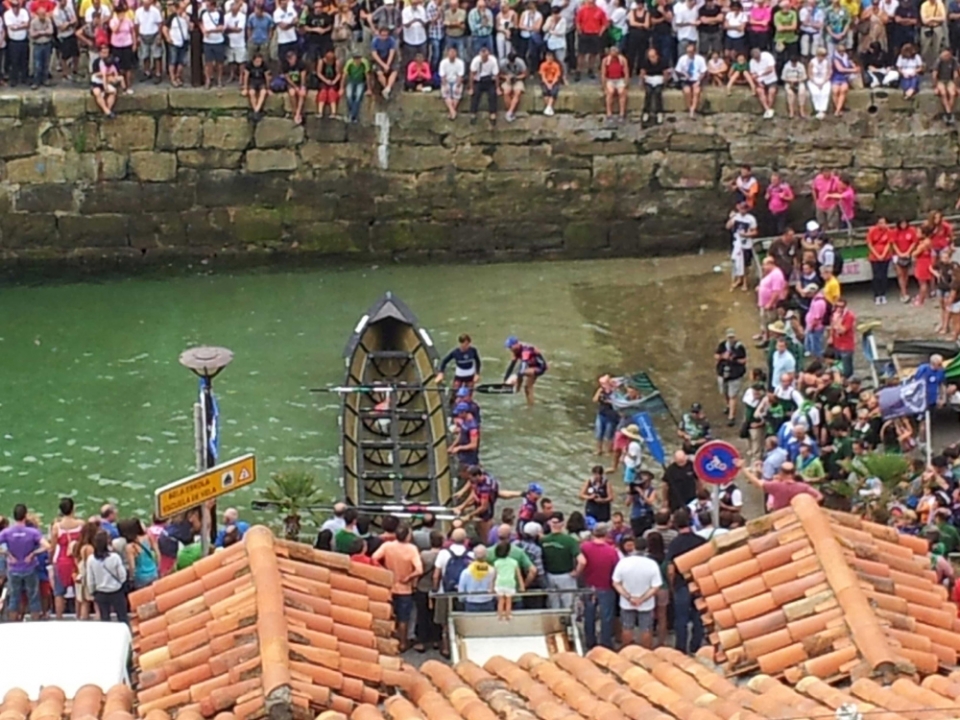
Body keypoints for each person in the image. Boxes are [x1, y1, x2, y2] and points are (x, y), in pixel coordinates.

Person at [372, 524, 423, 651]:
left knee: (390, 614)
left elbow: (374, 558)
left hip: (389, 585)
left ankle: (389, 640)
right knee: (404, 617)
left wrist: (384, 571)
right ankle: (403, 642)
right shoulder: (412, 549)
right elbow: (419, 569)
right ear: (407, 536)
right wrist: (409, 577)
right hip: (405, 588)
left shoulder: (387, 546)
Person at [665, 509, 705, 655]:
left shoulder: (675, 544)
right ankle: (696, 646)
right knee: (698, 617)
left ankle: (681, 648)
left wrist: (672, 585)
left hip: (681, 585)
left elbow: (670, 569)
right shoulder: (700, 541)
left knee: (680, 618)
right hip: (699, 583)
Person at [0, 504, 49, 621]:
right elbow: (47, 546)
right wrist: (33, 554)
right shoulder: (33, 532)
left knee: (14, 599)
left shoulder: (7, 532)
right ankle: (35, 623)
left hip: (13, 568)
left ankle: (13, 624)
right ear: (25, 515)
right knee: (34, 597)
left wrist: (7, 554)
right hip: (29, 567)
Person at [580, 522, 620, 649]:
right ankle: (605, 643)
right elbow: (616, 569)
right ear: (607, 534)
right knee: (606, 617)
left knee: (589, 615)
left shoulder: (584, 547)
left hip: (589, 586)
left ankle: (590, 642)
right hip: (606, 587)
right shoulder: (612, 551)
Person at [739, 459, 824, 509]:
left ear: (781, 473)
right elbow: (820, 497)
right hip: (798, 516)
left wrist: (743, 469)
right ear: (794, 473)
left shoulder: (776, 486)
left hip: (780, 516)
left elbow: (757, 482)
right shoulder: (803, 487)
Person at [50, 497, 84, 620]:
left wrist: (50, 560)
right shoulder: (80, 524)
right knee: (78, 591)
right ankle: (78, 617)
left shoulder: (57, 526)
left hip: (61, 560)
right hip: (76, 561)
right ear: (73, 509)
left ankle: (59, 618)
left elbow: (53, 547)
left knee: (59, 592)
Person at [541, 513, 584, 610]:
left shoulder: (543, 540)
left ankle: (555, 624)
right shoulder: (570, 540)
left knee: (554, 606)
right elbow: (582, 561)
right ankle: (570, 624)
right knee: (569, 606)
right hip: (566, 577)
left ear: (549, 523)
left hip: (550, 576)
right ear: (562, 524)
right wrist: (577, 572)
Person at [414, 530, 443, 651]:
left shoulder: (423, 555)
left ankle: (422, 641)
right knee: (436, 615)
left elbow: (419, 570)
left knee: (422, 615)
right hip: (438, 589)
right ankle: (437, 640)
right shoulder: (444, 554)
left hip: (423, 587)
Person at [503, 335, 547, 406]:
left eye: (511, 347)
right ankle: (530, 405)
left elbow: (523, 366)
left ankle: (517, 389)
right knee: (527, 388)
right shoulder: (516, 351)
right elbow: (511, 366)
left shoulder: (525, 350)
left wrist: (515, 378)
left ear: (516, 344)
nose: (510, 349)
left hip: (540, 367)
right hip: (531, 366)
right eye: (509, 347)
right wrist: (505, 379)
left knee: (520, 372)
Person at [716, 329, 747, 427]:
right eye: (729, 337)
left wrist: (734, 359)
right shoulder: (722, 345)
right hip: (722, 373)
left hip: (735, 375)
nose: (731, 339)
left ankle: (731, 417)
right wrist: (722, 357)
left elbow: (744, 360)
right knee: (724, 393)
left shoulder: (739, 347)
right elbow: (716, 356)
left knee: (732, 395)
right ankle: (728, 405)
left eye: (732, 337)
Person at [457, 544, 496, 612]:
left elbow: (461, 589)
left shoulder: (466, 572)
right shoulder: (492, 570)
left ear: (474, 556)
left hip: (471, 603)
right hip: (488, 602)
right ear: (486, 556)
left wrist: (462, 599)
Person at [492, 540, 524, 621]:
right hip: (510, 583)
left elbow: (494, 576)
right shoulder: (514, 562)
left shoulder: (497, 562)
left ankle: (499, 615)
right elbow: (518, 575)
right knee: (509, 600)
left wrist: (491, 586)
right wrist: (522, 586)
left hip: (500, 582)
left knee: (501, 600)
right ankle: (508, 615)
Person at [576, 0, 607, 79]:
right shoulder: (582, 10)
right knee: (581, 54)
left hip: (595, 34)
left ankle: (590, 70)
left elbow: (604, 23)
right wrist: (579, 31)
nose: (590, 3)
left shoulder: (600, 11)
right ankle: (579, 71)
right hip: (584, 33)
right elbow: (577, 21)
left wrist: (600, 32)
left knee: (593, 54)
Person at [675, 43, 707, 118]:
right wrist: (684, 74)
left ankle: (693, 109)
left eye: (691, 52)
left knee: (696, 91)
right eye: (688, 52)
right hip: (685, 79)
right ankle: (689, 107)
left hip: (696, 79)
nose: (689, 54)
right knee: (687, 91)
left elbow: (703, 72)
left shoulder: (700, 59)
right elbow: (677, 71)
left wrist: (699, 80)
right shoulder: (682, 59)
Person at [469, 45, 499, 125]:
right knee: (475, 94)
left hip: (489, 80)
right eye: (483, 56)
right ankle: (473, 113)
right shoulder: (476, 61)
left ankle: (493, 114)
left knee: (492, 94)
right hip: (479, 80)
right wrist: (471, 87)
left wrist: (497, 88)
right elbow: (472, 74)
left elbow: (496, 75)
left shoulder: (493, 60)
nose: (484, 58)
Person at [640, 47, 670, 126]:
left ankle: (659, 112)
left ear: (657, 56)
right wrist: (642, 83)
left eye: (653, 56)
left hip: (659, 80)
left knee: (658, 92)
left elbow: (665, 73)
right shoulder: (645, 62)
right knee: (648, 92)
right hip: (649, 80)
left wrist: (664, 83)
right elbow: (642, 73)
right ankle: (646, 112)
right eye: (650, 57)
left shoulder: (663, 61)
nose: (652, 59)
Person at [165, 1, 192, 87]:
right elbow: (165, 28)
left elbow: (191, 28)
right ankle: (173, 78)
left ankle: (178, 76)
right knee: (173, 60)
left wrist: (187, 21)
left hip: (184, 41)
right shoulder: (172, 17)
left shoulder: (187, 16)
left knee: (182, 61)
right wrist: (168, 38)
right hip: (174, 42)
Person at [90, 44, 122, 118]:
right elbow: (95, 74)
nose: (105, 55)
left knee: (113, 92)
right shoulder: (96, 62)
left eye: (106, 53)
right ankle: (106, 111)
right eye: (103, 53)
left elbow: (116, 73)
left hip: (109, 82)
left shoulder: (112, 61)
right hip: (97, 82)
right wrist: (105, 74)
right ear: (100, 53)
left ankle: (108, 109)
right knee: (97, 92)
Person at [867, 217, 893, 304]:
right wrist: (877, 255)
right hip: (874, 257)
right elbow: (870, 244)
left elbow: (889, 244)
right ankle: (876, 295)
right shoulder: (872, 231)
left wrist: (883, 254)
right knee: (876, 276)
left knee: (884, 276)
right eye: (881, 223)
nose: (883, 225)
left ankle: (883, 294)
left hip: (886, 257)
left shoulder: (888, 231)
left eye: (884, 223)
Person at [601, 45, 629, 121]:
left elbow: (626, 73)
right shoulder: (606, 60)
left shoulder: (623, 60)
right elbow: (603, 74)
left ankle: (622, 113)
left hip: (620, 79)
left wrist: (626, 84)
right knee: (610, 92)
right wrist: (604, 86)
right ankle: (609, 113)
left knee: (622, 92)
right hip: (610, 79)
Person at [29, 5, 55, 90]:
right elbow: (32, 34)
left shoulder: (48, 20)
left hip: (47, 44)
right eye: (41, 14)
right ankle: (36, 81)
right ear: (37, 14)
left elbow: (51, 31)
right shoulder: (33, 22)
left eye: (44, 14)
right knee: (37, 64)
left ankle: (45, 80)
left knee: (46, 63)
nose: (43, 16)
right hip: (38, 45)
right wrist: (43, 32)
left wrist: (39, 33)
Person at [438, 46, 466, 119]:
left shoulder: (460, 62)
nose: (452, 54)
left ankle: (452, 111)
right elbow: (442, 76)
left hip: (456, 81)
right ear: (447, 53)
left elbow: (460, 76)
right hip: (447, 80)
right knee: (445, 92)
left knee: (456, 92)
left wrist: (457, 86)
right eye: (450, 52)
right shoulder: (443, 63)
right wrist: (445, 85)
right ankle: (452, 111)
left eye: (454, 52)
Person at [499, 51, 527, 122]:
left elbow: (525, 74)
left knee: (517, 92)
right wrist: (506, 77)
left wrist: (517, 77)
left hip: (517, 79)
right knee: (506, 92)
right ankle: (510, 112)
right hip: (506, 80)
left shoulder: (520, 62)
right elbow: (498, 74)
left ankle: (510, 112)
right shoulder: (502, 63)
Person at [935, 47, 959, 121]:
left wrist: (956, 86)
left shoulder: (954, 61)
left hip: (950, 80)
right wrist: (935, 85)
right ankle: (948, 112)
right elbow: (934, 74)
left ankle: (948, 112)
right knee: (943, 93)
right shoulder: (939, 61)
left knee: (952, 93)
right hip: (941, 80)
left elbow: (956, 74)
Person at [781, 53, 809, 118]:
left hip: (799, 82)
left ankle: (801, 110)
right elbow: (783, 77)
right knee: (790, 94)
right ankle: (791, 111)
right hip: (789, 82)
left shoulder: (801, 66)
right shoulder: (786, 66)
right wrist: (790, 81)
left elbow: (804, 77)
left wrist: (798, 80)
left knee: (802, 92)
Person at [316, 49, 342, 118]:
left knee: (332, 92)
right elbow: (319, 73)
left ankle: (333, 112)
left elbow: (339, 74)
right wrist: (326, 80)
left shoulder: (336, 62)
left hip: (333, 81)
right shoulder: (321, 62)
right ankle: (320, 112)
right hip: (324, 81)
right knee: (323, 92)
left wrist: (334, 81)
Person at [807, 45, 832, 118]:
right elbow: (810, 73)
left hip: (824, 80)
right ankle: (817, 109)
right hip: (814, 80)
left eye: (823, 56)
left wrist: (824, 82)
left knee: (825, 93)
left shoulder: (827, 62)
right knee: (816, 93)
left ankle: (823, 110)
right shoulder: (812, 62)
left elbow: (829, 72)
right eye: (820, 55)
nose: (822, 57)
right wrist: (816, 83)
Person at [539, 50, 562, 115]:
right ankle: (549, 108)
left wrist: (552, 84)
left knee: (553, 93)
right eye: (548, 57)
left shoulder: (556, 65)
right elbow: (543, 76)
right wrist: (547, 84)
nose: (549, 58)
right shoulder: (543, 65)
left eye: (550, 57)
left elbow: (557, 76)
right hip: (545, 81)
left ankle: (548, 108)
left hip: (554, 81)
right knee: (545, 92)